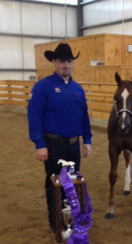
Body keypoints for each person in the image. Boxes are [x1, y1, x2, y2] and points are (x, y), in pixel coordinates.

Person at [27, 43, 92, 230]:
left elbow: (84, 117)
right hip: (53, 145)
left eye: (69, 61)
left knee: (71, 185)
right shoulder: (42, 87)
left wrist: (86, 140)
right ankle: (56, 225)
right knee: (55, 186)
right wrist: (39, 143)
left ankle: (69, 222)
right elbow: (34, 115)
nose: (66, 65)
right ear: (54, 62)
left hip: (73, 146)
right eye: (62, 61)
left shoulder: (78, 89)